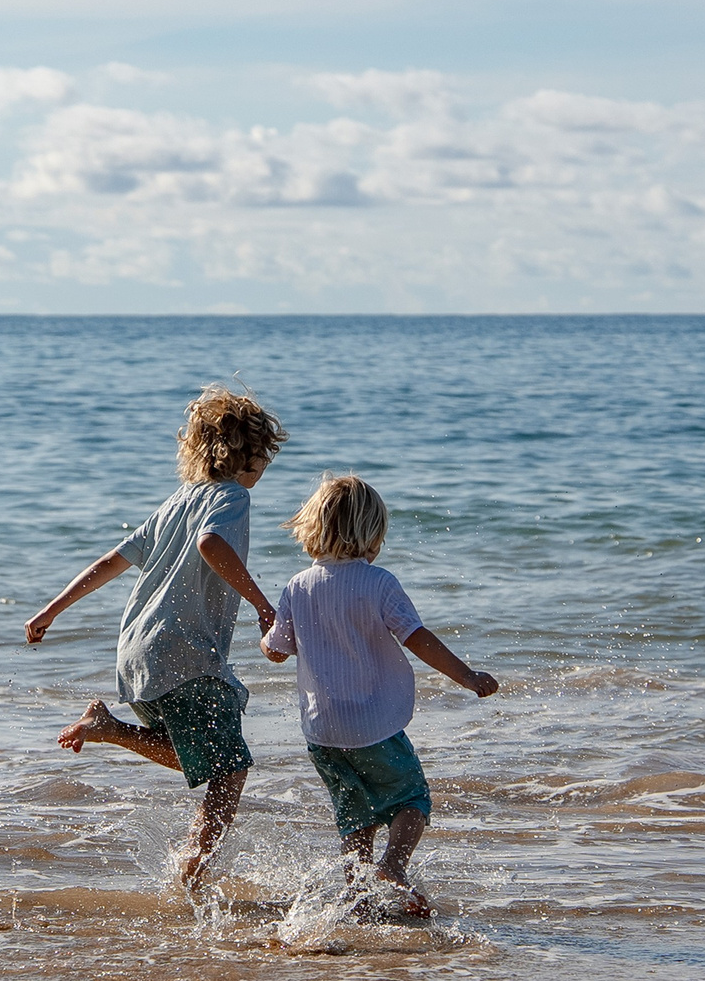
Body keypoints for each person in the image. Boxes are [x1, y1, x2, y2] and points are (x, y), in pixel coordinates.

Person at [25, 385, 288, 889]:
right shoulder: (231, 497)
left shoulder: (175, 503)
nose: (264, 468)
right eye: (262, 457)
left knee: (195, 754)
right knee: (230, 769)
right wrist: (262, 603)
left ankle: (111, 730)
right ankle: (193, 868)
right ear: (241, 455)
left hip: (136, 654)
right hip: (183, 652)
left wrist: (50, 611)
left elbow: (111, 562)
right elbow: (212, 543)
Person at [258, 473, 496, 920]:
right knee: (412, 800)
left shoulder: (296, 586)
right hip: (374, 725)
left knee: (354, 816)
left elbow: (276, 650)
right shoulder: (379, 582)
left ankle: (361, 899)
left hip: (323, 731)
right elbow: (417, 637)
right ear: (372, 535)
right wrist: (466, 676)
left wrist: (265, 637)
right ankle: (393, 865)